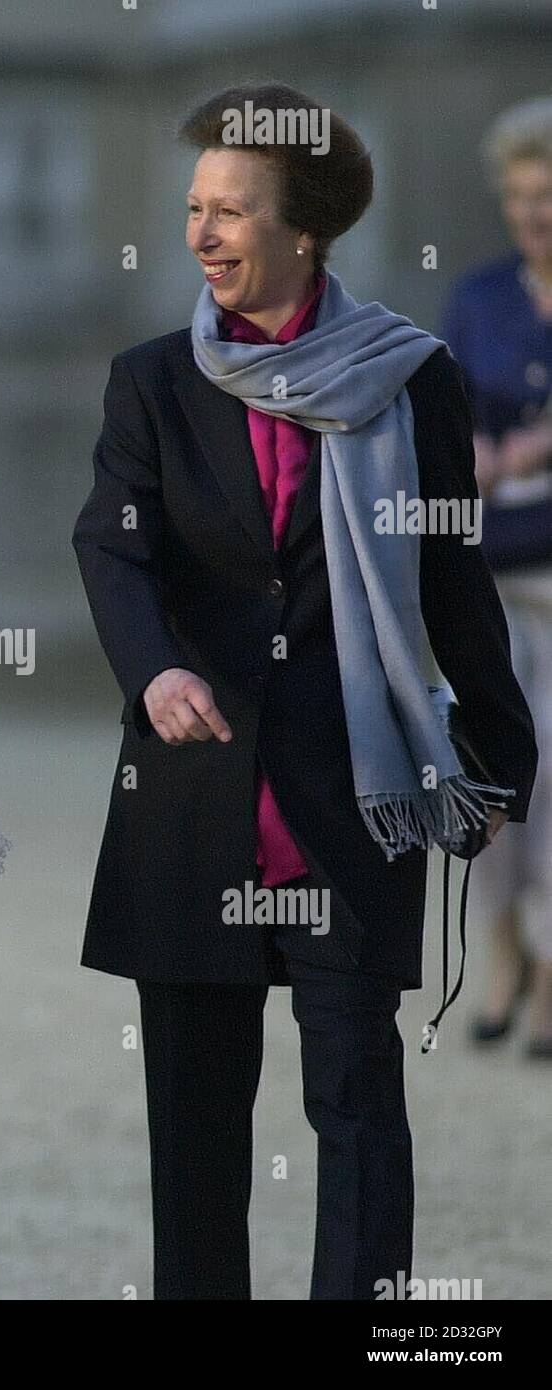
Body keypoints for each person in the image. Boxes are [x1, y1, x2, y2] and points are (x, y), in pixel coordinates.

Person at [72, 83, 538, 1300]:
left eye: (230, 209)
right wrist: (154, 665)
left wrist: (492, 749)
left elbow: (448, 569)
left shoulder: (409, 374)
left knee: (356, 1103)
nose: (201, 233)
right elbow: (111, 547)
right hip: (192, 793)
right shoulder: (153, 381)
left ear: (304, 226)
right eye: (192, 208)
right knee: (193, 1125)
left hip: (348, 790)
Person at [441, 97, 552, 1057]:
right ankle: (507, 948)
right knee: (491, 774)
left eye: (548, 196)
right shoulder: (478, 301)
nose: (533, 215)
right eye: (519, 197)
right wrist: (476, 448)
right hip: (495, 574)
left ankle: (551, 976)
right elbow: (449, 418)